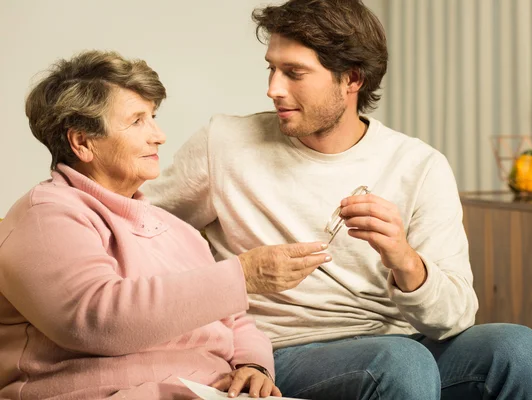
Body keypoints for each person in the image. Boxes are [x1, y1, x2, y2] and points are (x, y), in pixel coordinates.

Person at [144, 0, 532, 398]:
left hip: (402, 343)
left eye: (294, 73)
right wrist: (231, 280)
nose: (273, 88)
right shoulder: (225, 144)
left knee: (518, 348)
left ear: (352, 79)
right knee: (400, 362)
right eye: (271, 69)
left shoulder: (419, 165)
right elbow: (134, 225)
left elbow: (455, 318)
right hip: (280, 352)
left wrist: (403, 259)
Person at [0, 50, 331, 399]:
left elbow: (235, 321)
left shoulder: (178, 230)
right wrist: (242, 275)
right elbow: (98, 321)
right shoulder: (47, 215)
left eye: (153, 117)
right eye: (137, 121)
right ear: (81, 142)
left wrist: (253, 365)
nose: (159, 136)